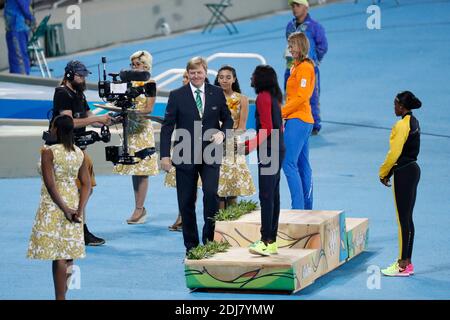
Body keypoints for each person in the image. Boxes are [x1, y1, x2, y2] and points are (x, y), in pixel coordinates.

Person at [160, 57, 233, 254]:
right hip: (185, 155)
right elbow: (167, 127)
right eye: (192, 73)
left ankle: (209, 240)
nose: (196, 76)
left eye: (199, 72)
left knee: (211, 195)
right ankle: (191, 246)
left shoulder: (216, 93)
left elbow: (228, 120)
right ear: (187, 74)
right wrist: (164, 155)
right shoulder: (176, 95)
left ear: (206, 72)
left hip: (211, 153)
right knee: (186, 201)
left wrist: (222, 133)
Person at [27, 115, 91, 300]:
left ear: (56, 129)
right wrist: (79, 209)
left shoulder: (48, 151)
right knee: (69, 252)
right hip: (73, 200)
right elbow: (86, 184)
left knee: (58, 256)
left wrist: (64, 208)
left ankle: (60, 298)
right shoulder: (79, 152)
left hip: (55, 204)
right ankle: (64, 294)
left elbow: (50, 184)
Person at [50, 60, 112, 246]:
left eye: (84, 75)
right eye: (80, 75)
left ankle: (78, 225)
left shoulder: (78, 93)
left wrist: (106, 121)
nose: (83, 78)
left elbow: (88, 118)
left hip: (79, 148)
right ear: (69, 75)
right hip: (66, 148)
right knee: (78, 189)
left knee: (86, 188)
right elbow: (69, 123)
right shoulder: (62, 93)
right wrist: (96, 118)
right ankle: (79, 228)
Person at [113, 50, 159, 224]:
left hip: (142, 129)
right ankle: (139, 207)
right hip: (129, 128)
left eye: (137, 64)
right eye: (132, 64)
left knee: (143, 170)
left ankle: (139, 209)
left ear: (146, 65)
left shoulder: (150, 83)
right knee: (134, 169)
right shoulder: (127, 82)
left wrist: (132, 111)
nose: (134, 67)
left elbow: (149, 109)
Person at [379, 91, 422, 277]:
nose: (394, 107)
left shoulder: (401, 125)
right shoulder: (414, 122)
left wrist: (383, 173)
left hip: (403, 172)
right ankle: (408, 263)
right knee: (408, 219)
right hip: (413, 169)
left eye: (396, 104)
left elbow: (394, 154)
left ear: (402, 107)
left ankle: (402, 265)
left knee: (402, 220)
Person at [244, 65, 285, 256]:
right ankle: (272, 240)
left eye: (254, 75)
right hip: (277, 147)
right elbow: (279, 127)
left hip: (269, 149)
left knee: (266, 196)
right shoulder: (275, 97)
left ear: (261, 78)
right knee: (273, 194)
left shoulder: (262, 97)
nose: (251, 77)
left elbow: (267, 127)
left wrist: (249, 146)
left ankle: (266, 240)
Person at [282, 32, 316, 210]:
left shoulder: (304, 68)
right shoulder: (297, 67)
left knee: (288, 163)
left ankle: (298, 208)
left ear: (301, 46)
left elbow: (303, 97)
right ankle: (305, 207)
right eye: (289, 45)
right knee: (302, 164)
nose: (290, 48)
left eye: (293, 45)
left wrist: (281, 111)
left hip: (298, 119)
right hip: (300, 119)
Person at [214, 65, 255, 209]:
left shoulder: (242, 99)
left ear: (234, 79)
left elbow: (242, 127)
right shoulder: (211, 97)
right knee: (216, 188)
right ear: (217, 79)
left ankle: (230, 223)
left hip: (233, 146)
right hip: (213, 145)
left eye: (228, 77)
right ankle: (218, 224)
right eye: (221, 77)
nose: (224, 80)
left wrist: (228, 140)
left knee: (232, 189)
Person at [285, 0, 327, 135]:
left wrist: (314, 60)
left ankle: (314, 125)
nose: (294, 8)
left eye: (297, 5)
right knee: (291, 95)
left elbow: (322, 46)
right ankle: (292, 120)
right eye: (292, 6)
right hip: (291, 67)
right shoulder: (290, 26)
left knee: (311, 96)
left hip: (308, 67)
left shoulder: (315, 27)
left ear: (306, 7)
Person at [4, 0, 35, 74]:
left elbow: (25, 7)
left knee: (18, 58)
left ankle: (22, 79)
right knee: (19, 56)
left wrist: (32, 19)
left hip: (16, 28)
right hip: (15, 27)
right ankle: (22, 77)